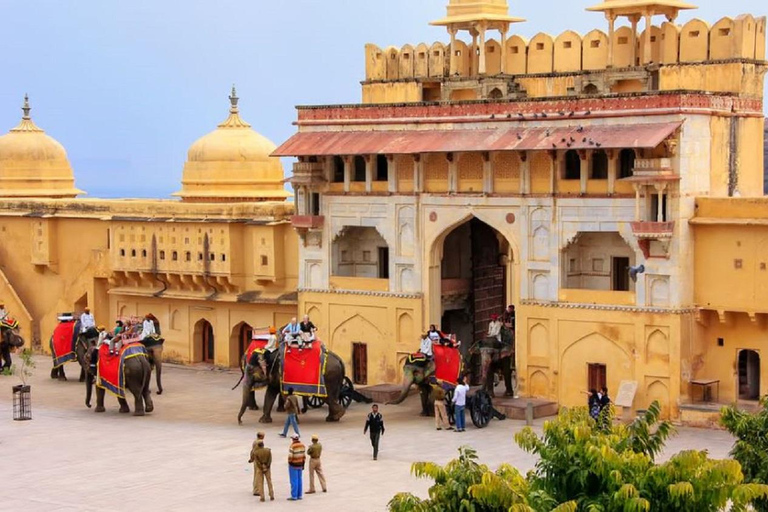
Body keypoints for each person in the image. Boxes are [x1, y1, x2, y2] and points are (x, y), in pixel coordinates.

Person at [248, 434, 274, 502]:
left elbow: (254, 455)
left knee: (260, 481)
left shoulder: (256, 449)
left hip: (259, 466)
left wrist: (260, 466)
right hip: (266, 467)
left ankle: (262, 496)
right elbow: (270, 459)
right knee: (269, 481)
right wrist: (266, 466)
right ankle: (271, 494)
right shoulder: (267, 450)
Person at [287, 435, 306, 501]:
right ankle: (299, 495)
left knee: (294, 480)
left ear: (293, 439)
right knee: (299, 480)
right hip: (300, 464)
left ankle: (294, 496)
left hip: (293, 465)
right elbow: (304, 456)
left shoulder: (292, 446)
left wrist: (289, 463)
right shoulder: (302, 445)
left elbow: (290, 457)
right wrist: (303, 464)